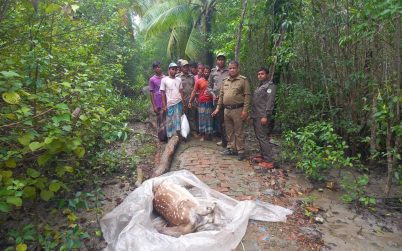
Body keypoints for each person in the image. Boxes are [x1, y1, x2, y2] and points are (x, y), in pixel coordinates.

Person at [212, 61, 251, 161]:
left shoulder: (243, 80)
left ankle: (241, 150)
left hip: (238, 109)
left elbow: (247, 96)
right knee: (229, 131)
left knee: (239, 131)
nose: (232, 70)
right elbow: (221, 96)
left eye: (234, 68)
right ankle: (231, 148)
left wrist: (245, 110)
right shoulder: (225, 80)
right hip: (226, 110)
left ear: (238, 69)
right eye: (230, 68)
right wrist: (217, 108)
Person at [251, 67, 277, 168]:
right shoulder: (260, 86)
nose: (260, 76)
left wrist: (266, 115)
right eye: (258, 74)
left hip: (262, 115)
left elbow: (270, 102)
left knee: (263, 137)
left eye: (262, 74)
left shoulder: (270, 86)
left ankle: (269, 160)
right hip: (256, 115)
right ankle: (263, 156)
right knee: (259, 136)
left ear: (267, 75)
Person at [208, 53, 229, 147]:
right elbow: (209, 86)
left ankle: (229, 140)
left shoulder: (229, 71)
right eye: (219, 59)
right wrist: (213, 94)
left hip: (227, 99)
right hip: (217, 100)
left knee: (228, 120)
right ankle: (223, 140)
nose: (221, 61)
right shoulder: (213, 72)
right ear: (217, 61)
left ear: (225, 61)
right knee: (220, 121)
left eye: (222, 59)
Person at [188, 66, 214, 141]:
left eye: (208, 72)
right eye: (205, 72)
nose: (206, 73)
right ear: (203, 72)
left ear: (210, 73)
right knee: (202, 119)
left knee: (209, 119)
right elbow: (194, 91)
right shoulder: (199, 81)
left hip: (210, 102)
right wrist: (190, 101)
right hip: (201, 102)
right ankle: (202, 135)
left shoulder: (212, 81)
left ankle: (209, 135)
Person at [160, 63, 184, 138]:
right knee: (169, 120)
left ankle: (177, 136)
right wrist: (164, 105)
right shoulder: (164, 80)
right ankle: (170, 136)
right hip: (170, 103)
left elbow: (181, 91)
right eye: (172, 69)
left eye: (175, 69)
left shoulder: (179, 79)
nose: (174, 71)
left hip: (178, 102)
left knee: (178, 119)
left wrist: (183, 103)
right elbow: (162, 93)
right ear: (169, 70)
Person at [177, 60, 197, 134]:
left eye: (187, 66)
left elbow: (194, 88)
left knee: (192, 116)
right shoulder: (178, 77)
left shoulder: (192, 76)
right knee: (183, 116)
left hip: (191, 100)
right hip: (182, 100)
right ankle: (183, 133)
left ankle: (193, 131)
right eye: (184, 66)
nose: (186, 68)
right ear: (181, 67)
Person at [148, 61, 167, 142]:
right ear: (154, 69)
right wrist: (154, 106)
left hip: (166, 102)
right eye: (156, 67)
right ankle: (161, 138)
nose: (158, 68)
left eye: (159, 67)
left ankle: (167, 135)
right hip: (158, 103)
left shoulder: (165, 78)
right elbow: (151, 93)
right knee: (159, 120)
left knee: (166, 119)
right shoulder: (152, 79)